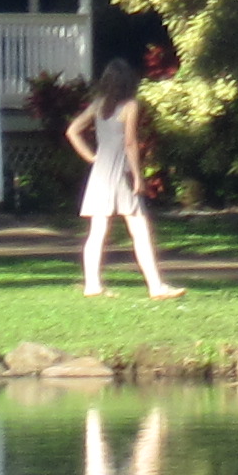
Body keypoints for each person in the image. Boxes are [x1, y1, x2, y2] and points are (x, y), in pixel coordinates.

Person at [66, 58, 185, 298]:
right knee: (140, 230)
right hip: (120, 172)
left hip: (100, 172)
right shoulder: (130, 106)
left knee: (97, 231)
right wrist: (138, 177)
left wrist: (92, 157)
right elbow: (130, 143)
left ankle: (92, 284)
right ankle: (156, 286)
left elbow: (72, 131)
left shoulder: (98, 105)